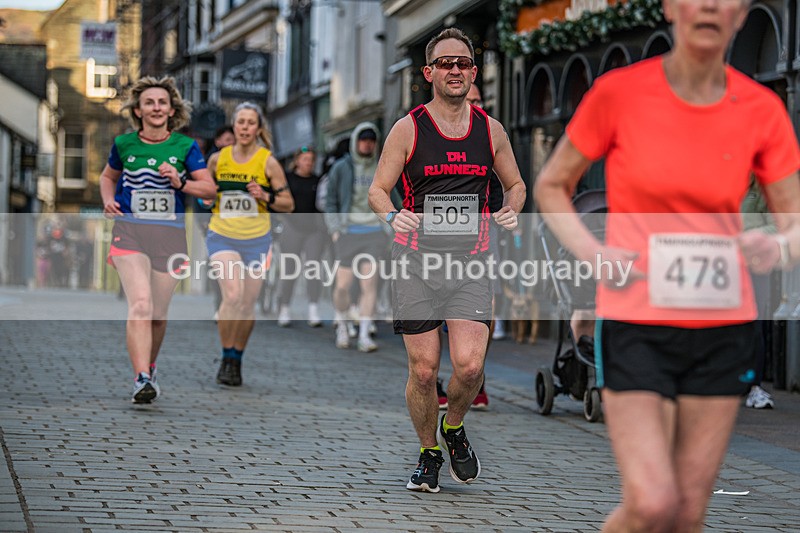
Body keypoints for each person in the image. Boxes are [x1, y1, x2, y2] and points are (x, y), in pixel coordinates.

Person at [533, 0, 800, 527]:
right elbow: (551, 184)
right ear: (670, 7)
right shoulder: (620, 93)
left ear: (741, 14)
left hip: (724, 325)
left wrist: (780, 247)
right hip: (636, 319)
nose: (708, 5)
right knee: (652, 501)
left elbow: (794, 217)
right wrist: (594, 252)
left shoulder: (761, 108)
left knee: (686, 512)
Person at [369, 28, 526, 493]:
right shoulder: (409, 127)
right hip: (416, 264)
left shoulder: (490, 129)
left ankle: (453, 427)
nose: (454, 70)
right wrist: (393, 216)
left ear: (473, 72)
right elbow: (378, 189)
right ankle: (428, 452)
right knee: (422, 370)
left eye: (463, 63)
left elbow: (516, 185)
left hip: (471, 265)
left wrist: (510, 208)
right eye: (445, 63)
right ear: (429, 72)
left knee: (471, 367)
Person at [100, 76, 216, 404]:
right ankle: (141, 378)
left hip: (170, 237)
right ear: (137, 110)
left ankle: (150, 365)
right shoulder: (124, 144)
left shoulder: (185, 147)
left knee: (159, 314)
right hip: (130, 231)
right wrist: (108, 199)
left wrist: (180, 182)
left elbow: (208, 189)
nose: (155, 108)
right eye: (149, 102)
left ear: (171, 109)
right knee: (140, 304)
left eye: (162, 102)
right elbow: (108, 177)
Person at [204, 102, 294, 387]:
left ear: (258, 128)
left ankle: (237, 358)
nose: (244, 128)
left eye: (250, 123)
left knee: (246, 303)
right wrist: (205, 199)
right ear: (234, 126)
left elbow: (288, 204)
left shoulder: (268, 162)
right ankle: (225, 355)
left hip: (256, 241)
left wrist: (264, 196)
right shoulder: (218, 160)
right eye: (240, 122)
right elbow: (204, 192)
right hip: (222, 235)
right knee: (231, 296)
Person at [436, 83, 499, 411]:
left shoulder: (491, 134)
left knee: (482, 311)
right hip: (436, 241)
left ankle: (478, 382)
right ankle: (448, 378)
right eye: (469, 99)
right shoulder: (433, 130)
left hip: (484, 235)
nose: (472, 104)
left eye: (477, 99)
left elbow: (508, 184)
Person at [325, 123, 398, 352]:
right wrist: (335, 229)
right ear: (356, 141)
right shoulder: (341, 167)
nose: (367, 144)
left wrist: (392, 225)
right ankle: (343, 324)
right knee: (343, 286)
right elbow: (331, 201)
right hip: (348, 232)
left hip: (374, 234)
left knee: (370, 283)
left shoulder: (382, 167)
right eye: (363, 139)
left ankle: (365, 333)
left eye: (371, 140)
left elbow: (394, 197)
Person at [277, 146, 327, 327]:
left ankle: (313, 308)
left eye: (311, 160)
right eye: (305, 159)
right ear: (297, 160)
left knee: (313, 268)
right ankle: (284, 307)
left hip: (313, 230)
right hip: (293, 227)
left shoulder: (318, 180)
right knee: (290, 269)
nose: (308, 163)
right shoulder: (287, 178)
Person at [742, 174, 777, 408]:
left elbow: (779, 224)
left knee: (754, 324)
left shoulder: (763, 189)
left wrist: (754, 238)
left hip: (753, 262)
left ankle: (754, 386)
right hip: (720, 263)